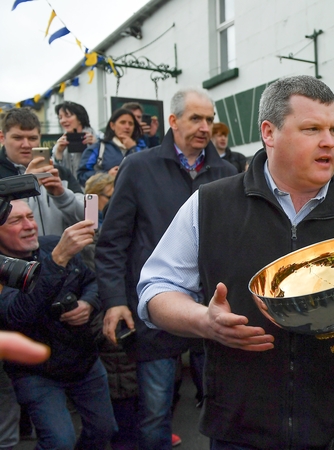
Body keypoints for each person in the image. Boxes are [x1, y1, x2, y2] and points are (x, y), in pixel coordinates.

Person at [136, 75, 334, 449]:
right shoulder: (210, 204)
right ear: (269, 133)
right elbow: (155, 289)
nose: (329, 141)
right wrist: (204, 321)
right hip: (240, 431)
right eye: (311, 129)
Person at [96, 87, 236, 450]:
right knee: (156, 412)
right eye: (195, 118)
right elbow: (111, 241)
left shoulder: (226, 172)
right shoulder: (139, 168)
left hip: (213, 311)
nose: (205, 127)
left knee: (223, 408)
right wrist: (114, 300)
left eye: (209, 119)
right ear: (173, 122)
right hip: (156, 310)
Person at [0, 200, 117, 449]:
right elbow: (18, 314)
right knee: (59, 442)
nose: (30, 225)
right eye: (15, 221)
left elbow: (91, 281)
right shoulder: (49, 255)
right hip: (35, 371)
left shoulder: (51, 245)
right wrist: (58, 260)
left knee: (104, 430)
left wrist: (88, 303)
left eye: (30, 217)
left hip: (83, 360)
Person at [0, 108, 84, 236]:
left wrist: (62, 196)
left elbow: (91, 219)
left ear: (40, 138)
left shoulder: (60, 172)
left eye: (32, 138)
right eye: (17, 138)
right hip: (14, 256)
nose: (26, 144)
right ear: (2, 137)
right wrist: (25, 186)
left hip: (62, 253)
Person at [78, 108, 144, 185]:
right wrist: (107, 175)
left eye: (131, 124)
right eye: (122, 122)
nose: (127, 127)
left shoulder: (142, 148)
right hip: (107, 195)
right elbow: (82, 175)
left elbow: (148, 171)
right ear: (112, 126)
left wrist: (133, 148)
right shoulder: (99, 147)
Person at [52, 101, 98, 176]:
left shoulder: (99, 139)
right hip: (69, 186)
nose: (63, 121)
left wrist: (96, 147)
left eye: (68, 116)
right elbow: (56, 173)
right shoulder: (60, 144)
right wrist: (59, 153)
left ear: (80, 118)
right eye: (60, 118)